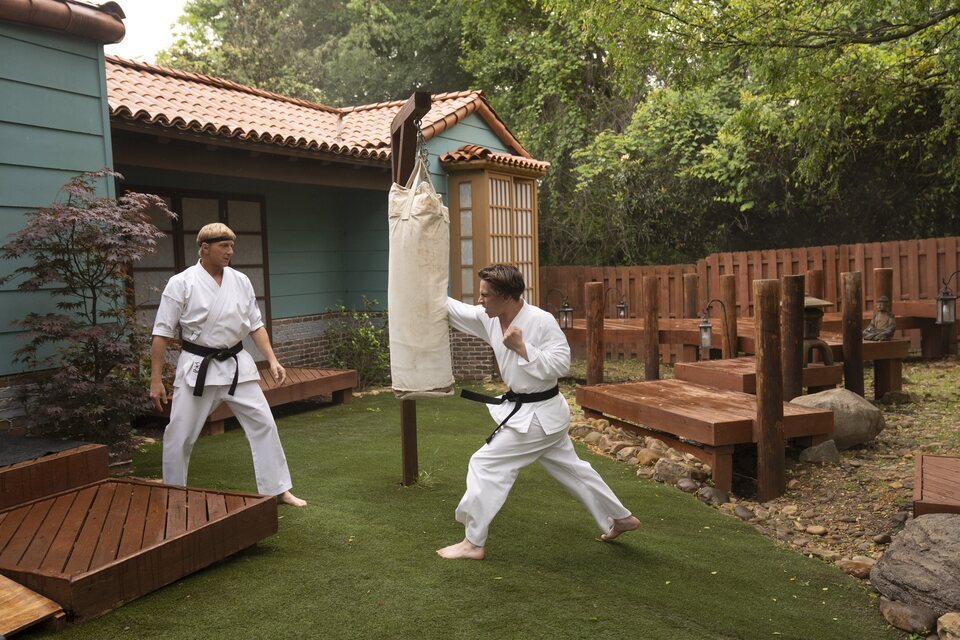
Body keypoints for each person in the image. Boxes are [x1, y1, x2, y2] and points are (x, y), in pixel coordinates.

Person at [437, 264, 639, 560]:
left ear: (506, 296)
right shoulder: (489, 317)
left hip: (539, 417)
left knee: (485, 465)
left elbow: (562, 365)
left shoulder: (541, 321)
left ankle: (473, 542)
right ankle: (620, 517)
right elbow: (455, 310)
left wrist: (522, 347)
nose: (480, 301)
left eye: (486, 295)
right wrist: (422, 284)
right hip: (536, 415)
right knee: (572, 469)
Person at [149, 223, 306, 507]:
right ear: (204, 248)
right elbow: (161, 333)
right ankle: (174, 491)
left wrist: (272, 360)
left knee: (264, 424)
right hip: (198, 368)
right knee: (179, 434)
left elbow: (255, 325)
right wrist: (156, 379)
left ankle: (278, 489)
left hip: (237, 366)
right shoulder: (181, 283)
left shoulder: (241, 281)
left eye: (232, 246)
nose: (230, 252)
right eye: (224, 246)